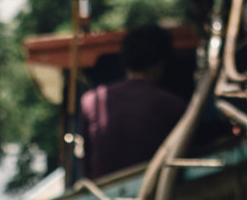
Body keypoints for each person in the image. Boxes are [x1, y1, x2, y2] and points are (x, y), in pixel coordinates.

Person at [78, 23, 186, 179]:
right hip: (153, 192)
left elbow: (86, 165)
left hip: (101, 197)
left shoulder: (91, 101)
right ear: (162, 62)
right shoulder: (173, 105)